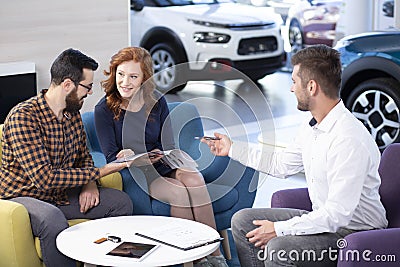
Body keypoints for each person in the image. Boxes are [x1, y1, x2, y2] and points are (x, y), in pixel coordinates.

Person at [201, 45, 388, 266]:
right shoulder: (312, 126)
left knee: (279, 248)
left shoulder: (348, 139)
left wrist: (279, 229)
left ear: (311, 87)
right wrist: (231, 148)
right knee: (243, 221)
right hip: (325, 223)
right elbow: (282, 164)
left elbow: (337, 215)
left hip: (354, 234)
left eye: (294, 81)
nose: (291, 89)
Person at [94, 46, 228, 267]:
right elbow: (110, 157)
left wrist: (175, 156)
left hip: (161, 161)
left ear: (144, 79)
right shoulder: (104, 109)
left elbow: (167, 143)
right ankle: (194, 257)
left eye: (133, 76)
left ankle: (214, 252)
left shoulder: (156, 100)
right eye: (121, 74)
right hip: (137, 172)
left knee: (195, 180)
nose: (125, 82)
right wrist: (126, 156)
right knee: (178, 193)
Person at [0, 48, 133, 267]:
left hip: (60, 195)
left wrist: (90, 183)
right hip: (24, 197)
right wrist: (103, 171)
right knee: (52, 219)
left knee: (120, 203)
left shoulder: (72, 114)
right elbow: (44, 179)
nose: (90, 92)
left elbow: (84, 157)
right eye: (88, 87)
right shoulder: (23, 117)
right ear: (68, 85)